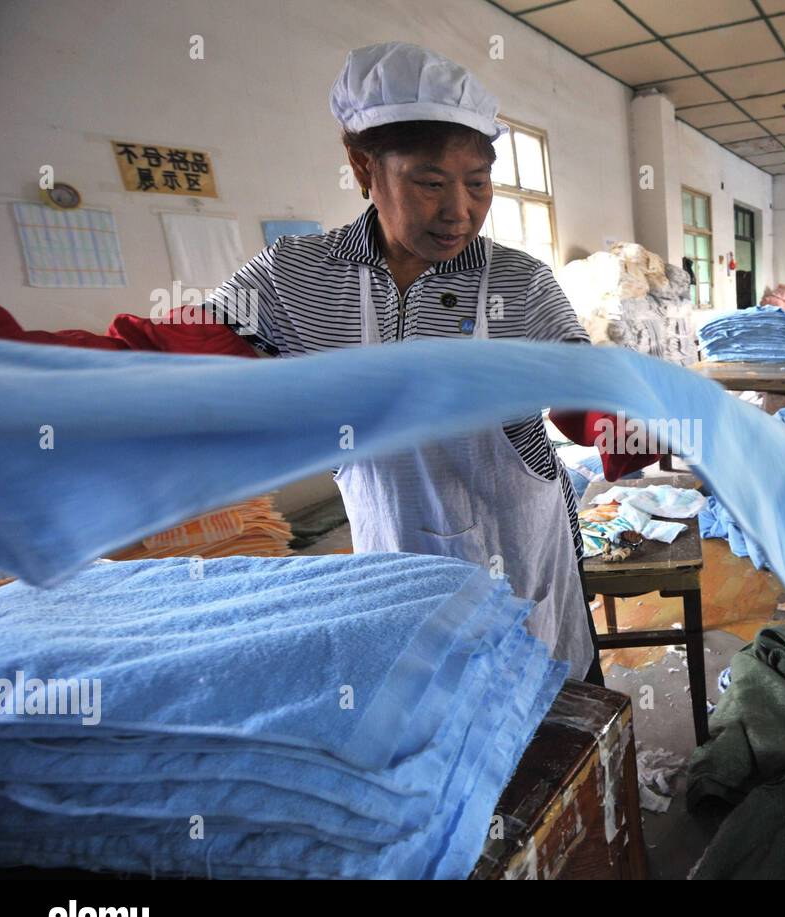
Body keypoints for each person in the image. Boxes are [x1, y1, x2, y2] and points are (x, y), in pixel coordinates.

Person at [201, 42, 615, 678]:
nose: (459, 211)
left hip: (524, 543)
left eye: (479, 185)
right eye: (430, 183)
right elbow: (193, 360)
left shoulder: (518, 281)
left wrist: (632, 428)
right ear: (362, 166)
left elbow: (578, 398)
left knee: (550, 707)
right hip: (393, 536)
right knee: (430, 700)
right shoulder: (296, 276)